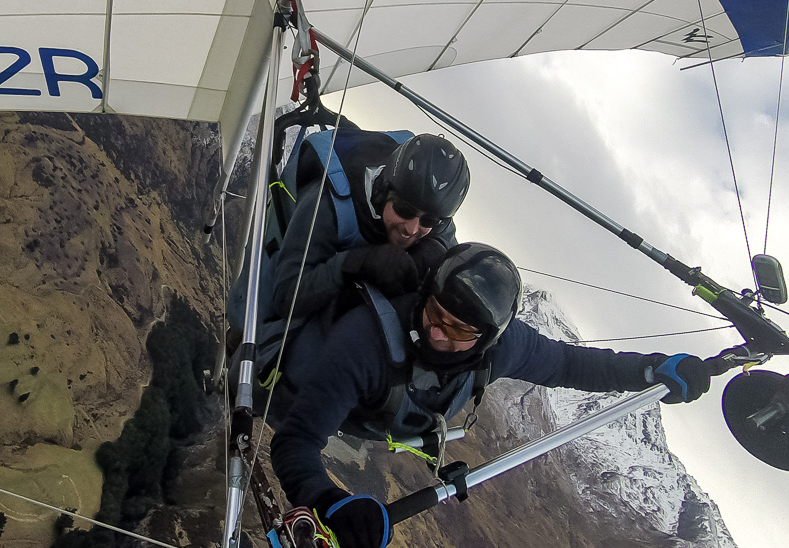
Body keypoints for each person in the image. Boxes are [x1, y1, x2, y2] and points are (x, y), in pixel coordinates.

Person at [261, 243, 712, 548]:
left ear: (487, 338)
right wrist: (327, 499)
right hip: (338, 402)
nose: (435, 331)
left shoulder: (504, 347)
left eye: (457, 329)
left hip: (397, 413)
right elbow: (296, 440)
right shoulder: (365, 341)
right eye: (434, 312)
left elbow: (568, 364)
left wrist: (650, 369)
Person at [265, 131, 471, 323]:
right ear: (382, 191)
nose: (412, 229)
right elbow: (285, 295)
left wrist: (435, 247)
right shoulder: (326, 204)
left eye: (429, 221)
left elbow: (447, 243)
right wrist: (354, 264)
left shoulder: (432, 207)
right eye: (404, 210)